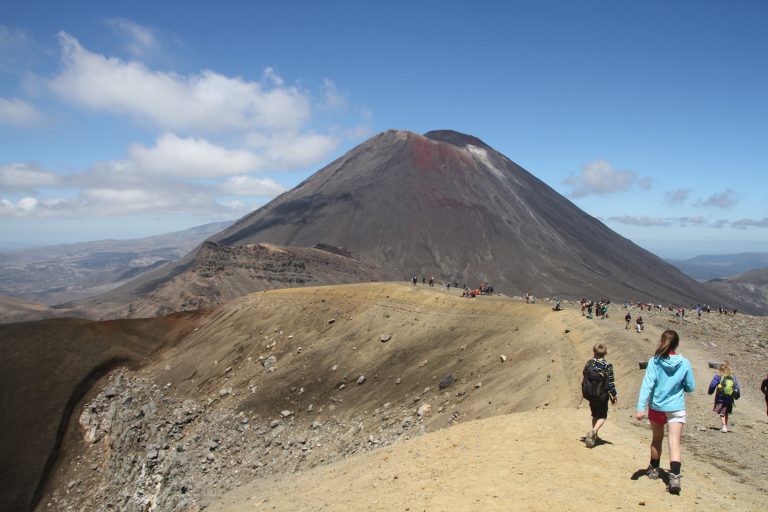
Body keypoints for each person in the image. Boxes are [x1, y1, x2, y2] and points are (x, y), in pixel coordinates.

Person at [636, 330, 695, 494]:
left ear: (662, 341)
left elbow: (647, 385)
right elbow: (691, 387)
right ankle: (675, 477)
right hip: (676, 407)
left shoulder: (654, 361)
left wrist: (641, 407)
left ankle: (654, 469)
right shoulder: (685, 363)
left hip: (657, 407)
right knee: (674, 442)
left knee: (657, 439)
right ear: (676, 344)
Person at [583, 343, 617, 448]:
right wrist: (614, 395)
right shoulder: (607, 366)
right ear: (605, 353)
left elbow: (584, 374)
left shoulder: (589, 363)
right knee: (602, 416)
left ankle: (595, 436)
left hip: (590, 394)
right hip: (602, 395)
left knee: (594, 415)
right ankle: (594, 431)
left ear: (594, 352)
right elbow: (611, 382)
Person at [707, 362, 741, 432]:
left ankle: (724, 426)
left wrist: (710, 391)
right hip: (729, 397)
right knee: (726, 411)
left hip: (720, 396)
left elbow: (712, 385)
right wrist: (736, 396)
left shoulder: (718, 376)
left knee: (722, 412)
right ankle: (724, 425)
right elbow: (737, 387)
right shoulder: (733, 377)